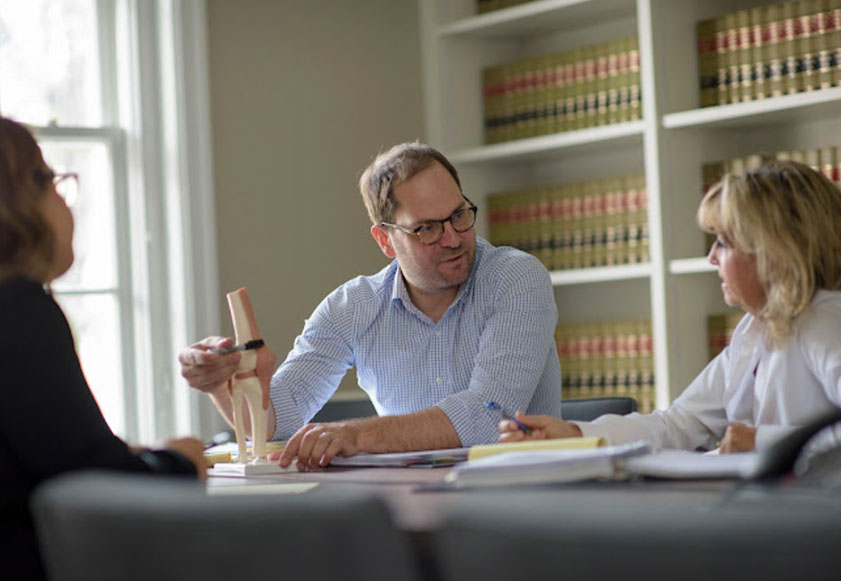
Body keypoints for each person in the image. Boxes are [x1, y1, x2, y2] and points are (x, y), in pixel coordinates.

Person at [179, 142, 561, 470]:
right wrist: (223, 384)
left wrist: (357, 434)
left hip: (513, 499)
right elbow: (275, 425)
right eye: (426, 228)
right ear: (385, 240)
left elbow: (487, 419)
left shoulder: (516, 278)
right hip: (404, 501)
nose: (453, 238)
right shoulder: (353, 306)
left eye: (459, 215)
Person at [500, 160, 841, 453]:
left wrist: (762, 442)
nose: (711, 258)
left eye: (723, 243)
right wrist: (574, 434)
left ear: (772, 252)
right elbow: (682, 422)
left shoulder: (824, 320)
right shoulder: (755, 331)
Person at [0, 117, 207, 581]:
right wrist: (179, 462)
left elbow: (45, 455)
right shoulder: (19, 311)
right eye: (51, 181)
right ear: (21, 198)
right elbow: (96, 483)